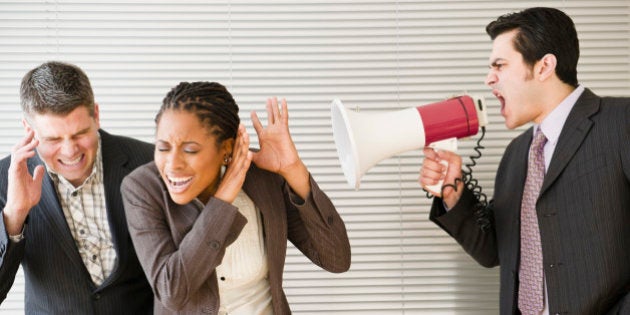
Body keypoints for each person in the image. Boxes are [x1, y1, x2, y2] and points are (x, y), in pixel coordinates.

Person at [419, 7, 630, 315]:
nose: (489, 78)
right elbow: (494, 251)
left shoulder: (620, 122)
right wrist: (454, 195)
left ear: (544, 66)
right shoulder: (518, 153)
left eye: (500, 65)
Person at [120, 81, 351, 314]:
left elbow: (336, 258)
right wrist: (222, 202)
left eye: (190, 150)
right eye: (163, 147)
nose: (172, 164)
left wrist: (292, 169)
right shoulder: (142, 188)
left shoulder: (262, 177)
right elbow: (172, 292)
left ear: (226, 149)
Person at [0, 61, 154, 313]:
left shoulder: (148, 161)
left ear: (96, 114)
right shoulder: (4, 179)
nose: (70, 151)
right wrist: (14, 215)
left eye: (80, 133)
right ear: (29, 129)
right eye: (53, 139)